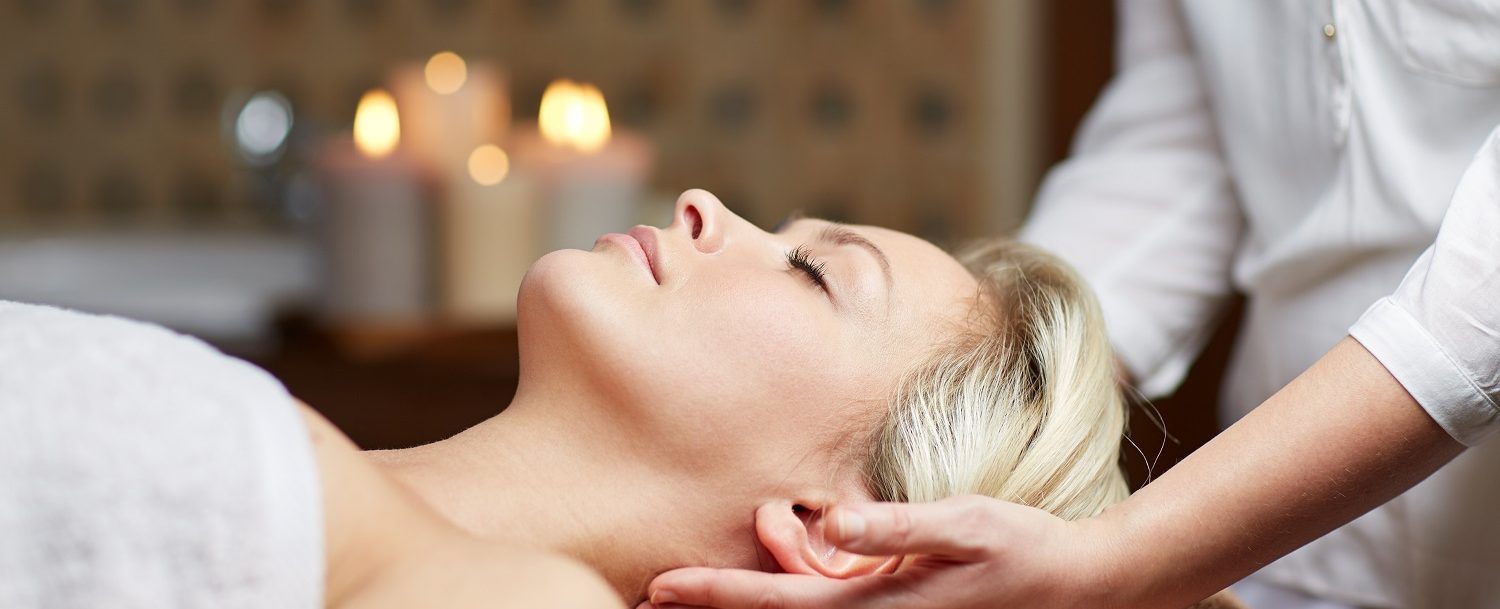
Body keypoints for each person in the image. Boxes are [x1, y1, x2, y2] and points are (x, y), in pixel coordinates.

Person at [643, 1, 1500, 608]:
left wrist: (1118, 556)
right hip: (1296, 558)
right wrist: (987, 409)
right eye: (804, 266)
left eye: (810, 266)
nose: (697, 203)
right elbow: (1188, 130)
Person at [5, 189, 1224, 607]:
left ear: (835, 529)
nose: (705, 204)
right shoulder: (304, 455)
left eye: (811, 270)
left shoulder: (510, 596)